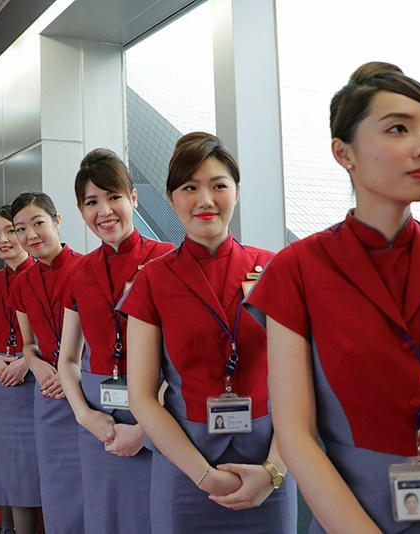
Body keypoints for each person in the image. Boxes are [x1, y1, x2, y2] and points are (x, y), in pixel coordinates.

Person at [245, 62, 420, 533]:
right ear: (344, 153)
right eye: (399, 128)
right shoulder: (297, 269)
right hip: (353, 516)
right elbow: (296, 435)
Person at [119, 132, 297, 533]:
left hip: (271, 463)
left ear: (237, 192)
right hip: (185, 468)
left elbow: (300, 383)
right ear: (171, 198)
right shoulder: (153, 280)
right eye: (189, 188)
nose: (205, 200)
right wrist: (203, 475)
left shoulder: (275, 270)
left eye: (219, 185)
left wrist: (273, 471)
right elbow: (142, 396)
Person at [57, 148, 175, 532]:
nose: (104, 211)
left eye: (114, 197)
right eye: (92, 202)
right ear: (80, 209)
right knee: (105, 517)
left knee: (156, 516)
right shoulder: (79, 272)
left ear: (134, 198)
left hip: (159, 416)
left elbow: (178, 364)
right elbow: (68, 357)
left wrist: (145, 430)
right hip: (97, 420)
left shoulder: (167, 262)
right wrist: (83, 415)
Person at [8, 191, 84, 533]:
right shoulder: (21, 281)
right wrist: (37, 366)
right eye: (20, 229)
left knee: (90, 483)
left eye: (38, 223)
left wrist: (70, 372)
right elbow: (27, 343)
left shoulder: (86, 268)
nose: (30, 235)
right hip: (48, 394)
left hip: (85, 390)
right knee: (55, 482)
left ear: (56, 220)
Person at [0, 206, 40, 534]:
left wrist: (26, 362)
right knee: (9, 464)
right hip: (1, 377)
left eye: (10, 231)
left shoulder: (39, 272)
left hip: (34, 379)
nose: (3, 239)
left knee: (30, 466)